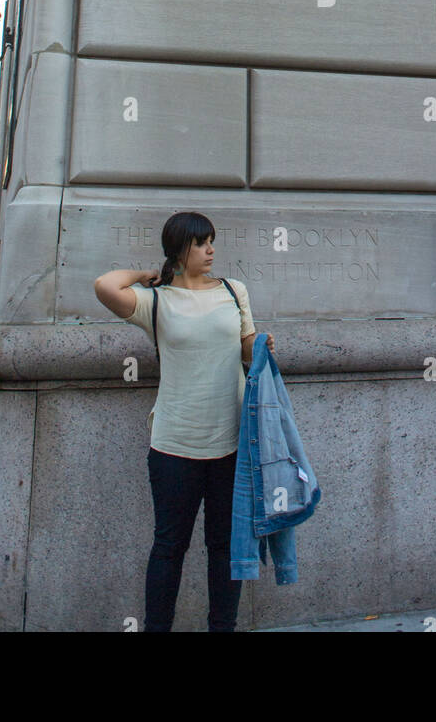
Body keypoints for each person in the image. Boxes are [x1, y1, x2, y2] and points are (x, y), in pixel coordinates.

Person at [94, 212, 275, 633]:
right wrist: (147, 274)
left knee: (225, 547)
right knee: (169, 546)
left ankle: (222, 627)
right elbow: (105, 285)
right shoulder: (155, 302)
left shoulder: (234, 291)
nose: (211, 250)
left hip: (231, 443)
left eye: (212, 241)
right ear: (179, 249)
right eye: (200, 243)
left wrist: (261, 344)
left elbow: (247, 348)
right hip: (174, 445)